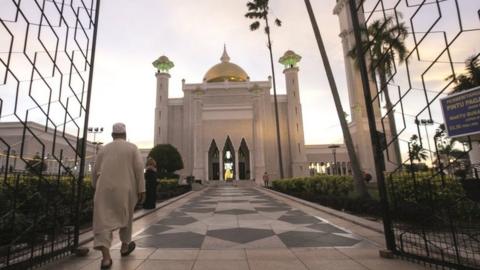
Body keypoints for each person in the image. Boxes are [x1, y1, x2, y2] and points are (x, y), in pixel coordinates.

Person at [92, 123, 145, 269]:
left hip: (104, 188)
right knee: (126, 217)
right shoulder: (132, 147)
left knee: (102, 221)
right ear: (125, 134)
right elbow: (139, 168)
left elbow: (95, 170)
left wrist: (94, 186)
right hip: (125, 189)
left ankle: (106, 258)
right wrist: (141, 189)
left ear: (112, 135)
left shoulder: (103, 149)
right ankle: (124, 246)